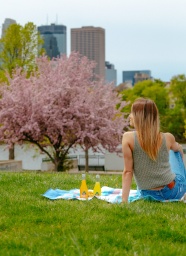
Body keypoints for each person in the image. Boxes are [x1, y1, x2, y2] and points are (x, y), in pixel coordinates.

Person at [122, 98, 186, 203]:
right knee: (176, 150)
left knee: (173, 149)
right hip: (173, 191)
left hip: (148, 194)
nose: (129, 116)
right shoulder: (168, 137)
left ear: (139, 116)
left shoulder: (128, 138)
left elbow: (128, 172)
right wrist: (178, 149)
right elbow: (178, 151)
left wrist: (124, 201)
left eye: (132, 113)